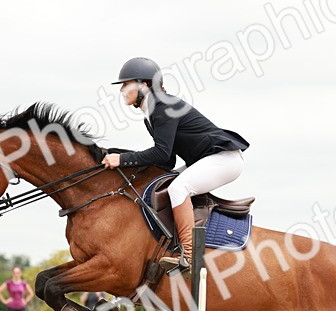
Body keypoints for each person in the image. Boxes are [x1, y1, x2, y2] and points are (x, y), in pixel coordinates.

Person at [101, 57, 249, 273]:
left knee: (179, 188)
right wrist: (122, 156)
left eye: (126, 84)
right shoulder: (151, 113)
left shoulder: (163, 106)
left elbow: (161, 152)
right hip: (208, 160)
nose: (122, 90)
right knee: (162, 182)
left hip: (224, 159)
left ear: (143, 84)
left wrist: (122, 160)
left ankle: (189, 256)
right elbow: (167, 159)